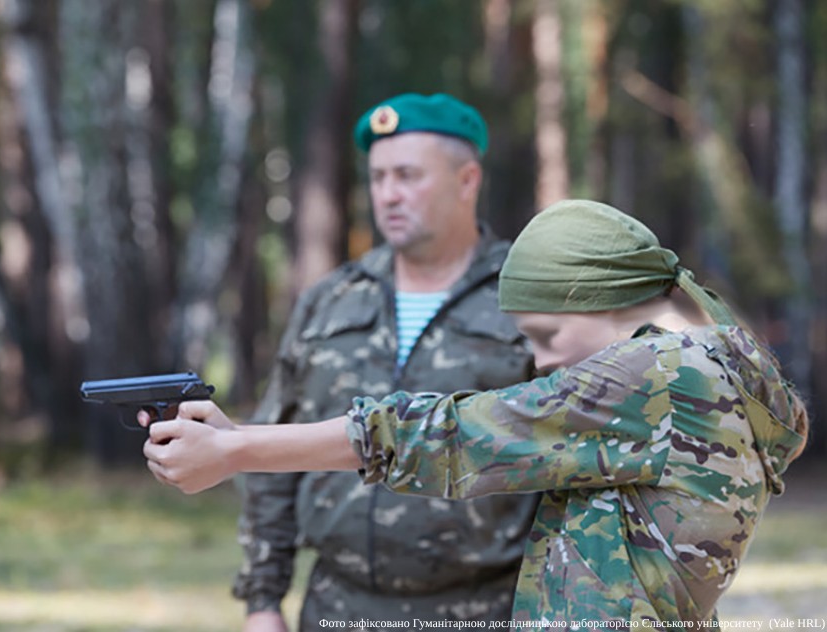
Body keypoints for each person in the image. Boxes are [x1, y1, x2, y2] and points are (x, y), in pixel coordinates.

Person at [142, 199, 808, 626]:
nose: (542, 362)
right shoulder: (714, 363)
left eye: (546, 336)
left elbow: (452, 434)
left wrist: (238, 451)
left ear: (603, 300)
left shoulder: (658, 375)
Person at [228, 93, 540, 631]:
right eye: (377, 178)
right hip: (336, 610)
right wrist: (262, 601)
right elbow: (271, 444)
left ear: (467, 181)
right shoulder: (332, 300)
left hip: (487, 610)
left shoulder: (528, 300)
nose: (388, 195)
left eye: (407, 176)